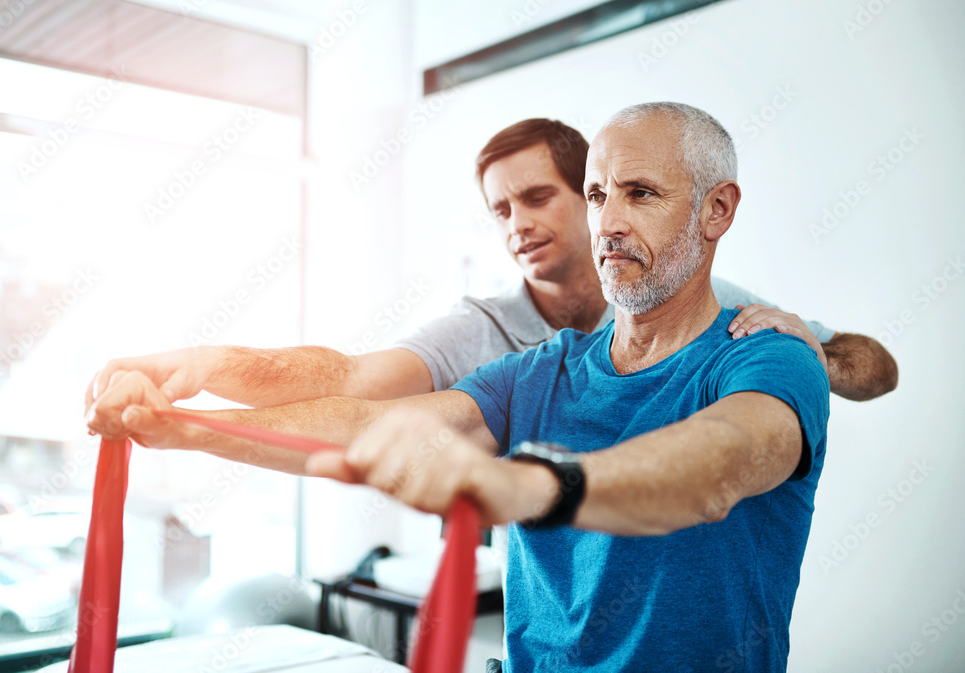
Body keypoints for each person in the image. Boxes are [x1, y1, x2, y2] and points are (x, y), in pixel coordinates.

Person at [89, 102, 852, 670]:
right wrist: (184, 425)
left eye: (641, 194)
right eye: (597, 196)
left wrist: (531, 486)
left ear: (717, 210)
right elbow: (362, 409)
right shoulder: (534, 364)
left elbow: (718, 464)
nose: (609, 221)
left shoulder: (768, 353)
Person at [85, 121, 896, 422]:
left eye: (539, 198)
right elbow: (349, 375)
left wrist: (809, 351)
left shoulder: (724, 311)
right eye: (500, 211)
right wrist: (193, 367)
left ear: (594, 202)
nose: (518, 226)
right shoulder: (486, 332)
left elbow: (875, 371)